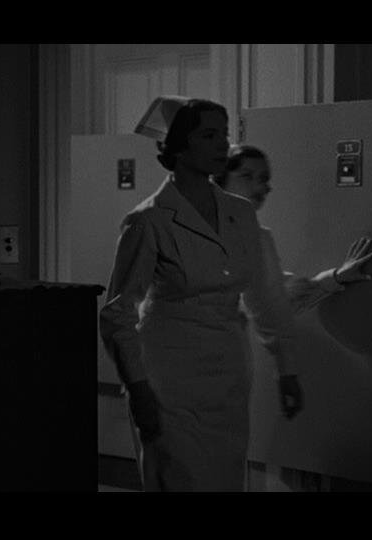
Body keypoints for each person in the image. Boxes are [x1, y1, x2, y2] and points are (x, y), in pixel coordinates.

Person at [99, 97, 301, 492]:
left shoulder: (240, 214)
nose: (222, 144)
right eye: (208, 135)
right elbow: (118, 314)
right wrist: (138, 389)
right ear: (178, 145)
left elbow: (265, 297)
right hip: (168, 379)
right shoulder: (149, 220)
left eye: (224, 134)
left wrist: (287, 367)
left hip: (227, 375)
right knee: (180, 480)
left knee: (224, 481)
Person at [214, 144, 372, 316]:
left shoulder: (259, 237)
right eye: (246, 176)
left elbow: (289, 296)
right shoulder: (207, 233)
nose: (260, 187)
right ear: (220, 181)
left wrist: (338, 276)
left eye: (263, 179)